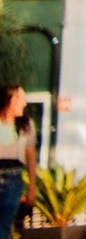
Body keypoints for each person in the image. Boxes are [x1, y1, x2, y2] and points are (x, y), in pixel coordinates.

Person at [0, 84, 37, 236]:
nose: (25, 103)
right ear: (10, 100)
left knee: (4, 225)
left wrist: (32, 187)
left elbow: (31, 156)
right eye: (21, 98)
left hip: (13, 178)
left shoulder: (25, 126)